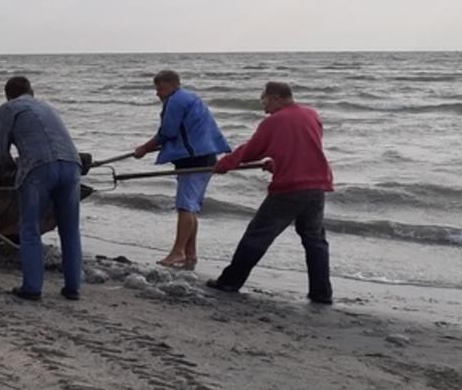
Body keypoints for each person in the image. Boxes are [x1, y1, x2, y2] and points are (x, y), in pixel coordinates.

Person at [206, 81, 334, 304]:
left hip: (290, 187)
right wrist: (275, 162)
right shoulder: (311, 114)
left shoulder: (274, 121)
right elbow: (301, 148)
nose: (263, 106)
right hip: (317, 186)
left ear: (275, 97)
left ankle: (229, 282)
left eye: (263, 99)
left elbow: (251, 149)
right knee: (315, 240)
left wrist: (224, 164)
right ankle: (321, 293)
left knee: (257, 235)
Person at [0, 76, 83, 302]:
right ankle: (73, 288)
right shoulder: (47, 106)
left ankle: (32, 288)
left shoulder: (8, 108)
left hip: (38, 167)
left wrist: (9, 171)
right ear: (31, 91)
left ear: (7, 95)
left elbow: (0, 152)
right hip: (72, 165)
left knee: (30, 229)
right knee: (70, 230)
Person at [133, 69, 230, 268]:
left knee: (185, 206)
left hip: (193, 158)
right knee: (191, 205)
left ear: (172, 85)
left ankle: (177, 252)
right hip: (207, 155)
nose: (157, 93)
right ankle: (190, 253)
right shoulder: (191, 97)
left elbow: (167, 133)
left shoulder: (176, 100)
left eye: (160, 89)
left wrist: (143, 148)